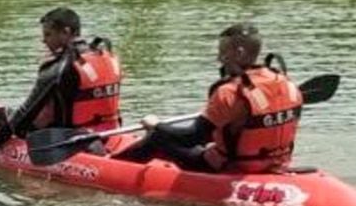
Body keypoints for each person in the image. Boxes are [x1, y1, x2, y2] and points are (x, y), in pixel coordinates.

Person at [114, 23, 302, 172]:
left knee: (158, 138)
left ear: (239, 53)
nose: (219, 58)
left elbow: (192, 138)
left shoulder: (228, 91)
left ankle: (111, 168)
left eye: (223, 50)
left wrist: (156, 125)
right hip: (273, 162)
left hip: (230, 165)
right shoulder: (285, 82)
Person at [0, 8, 122, 161]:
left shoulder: (58, 67)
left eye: (48, 34)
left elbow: (25, 114)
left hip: (69, 140)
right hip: (110, 133)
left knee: (13, 118)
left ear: (66, 32)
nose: (44, 40)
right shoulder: (103, 55)